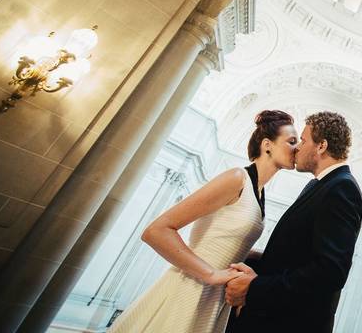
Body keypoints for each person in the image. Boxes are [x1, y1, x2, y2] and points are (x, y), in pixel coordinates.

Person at [109, 110, 298, 333]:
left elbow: (226, 242)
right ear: (267, 145)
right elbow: (156, 231)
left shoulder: (259, 193)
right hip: (189, 289)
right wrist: (211, 274)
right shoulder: (237, 178)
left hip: (215, 299)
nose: (297, 148)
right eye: (292, 141)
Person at [225, 111, 362, 333]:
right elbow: (303, 254)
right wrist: (258, 256)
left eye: (304, 140)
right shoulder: (320, 185)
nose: (298, 146)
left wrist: (255, 288)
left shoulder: (341, 188)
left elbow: (330, 271)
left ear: (321, 146)